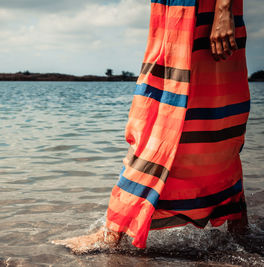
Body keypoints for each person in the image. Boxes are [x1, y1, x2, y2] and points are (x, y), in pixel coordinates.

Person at [53, 0, 250, 253]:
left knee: (172, 122)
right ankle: (240, 228)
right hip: (172, 15)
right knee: (208, 121)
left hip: (200, 12)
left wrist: (223, 10)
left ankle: (112, 232)